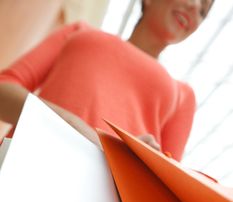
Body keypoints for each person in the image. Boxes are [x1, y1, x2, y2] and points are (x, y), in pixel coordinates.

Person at [0, 0, 214, 160]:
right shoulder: (79, 32)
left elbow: (168, 184)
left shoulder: (184, 95)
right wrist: (79, 129)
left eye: (204, 11)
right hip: (29, 161)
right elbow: (4, 88)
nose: (196, 7)